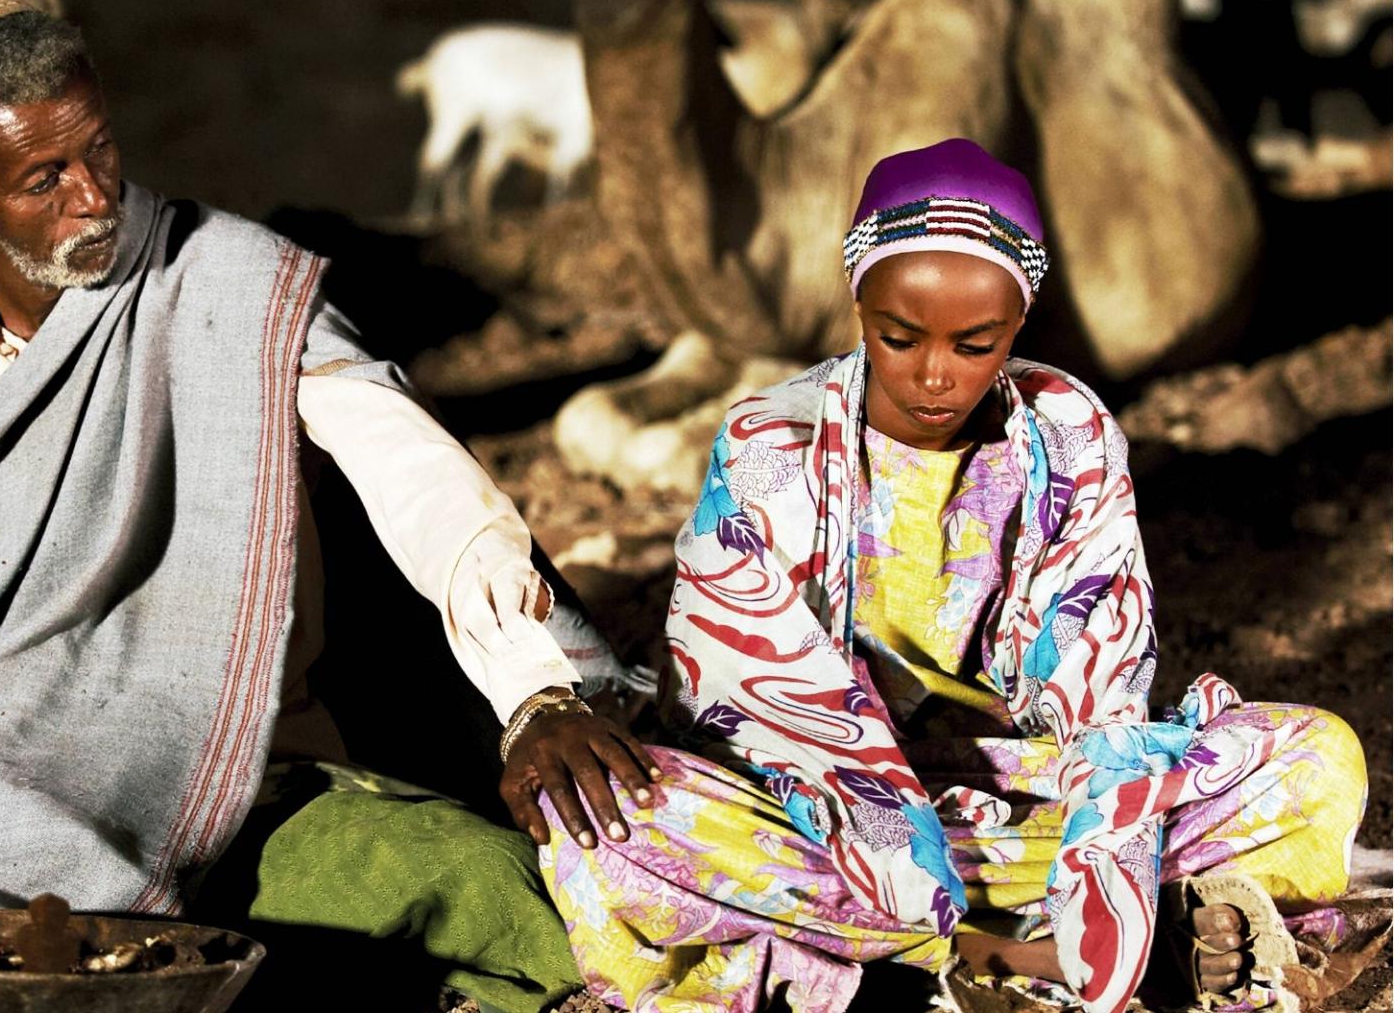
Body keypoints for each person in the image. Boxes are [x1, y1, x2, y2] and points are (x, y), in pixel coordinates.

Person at [0, 0, 656, 1012]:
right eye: (43, 178)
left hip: (242, 784)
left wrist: (533, 695)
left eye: (100, 150)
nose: (95, 197)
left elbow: (410, 467)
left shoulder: (230, 289)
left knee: (497, 891)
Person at [535, 139, 1369, 1013]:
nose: (933, 376)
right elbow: (748, 700)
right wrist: (901, 852)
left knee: (1317, 761)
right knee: (603, 831)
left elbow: (1102, 691)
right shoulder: (768, 443)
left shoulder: (1070, 428)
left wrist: (1101, 860)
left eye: (975, 344)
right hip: (811, 799)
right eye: (900, 337)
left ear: (1019, 324)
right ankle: (997, 953)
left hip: (1019, 788)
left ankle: (933, 959)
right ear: (860, 304)